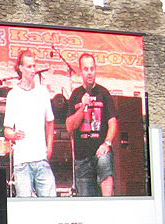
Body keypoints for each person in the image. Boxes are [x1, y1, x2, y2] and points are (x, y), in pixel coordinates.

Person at [2, 50, 56, 197]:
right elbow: (7, 131)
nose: (33, 70)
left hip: (41, 157)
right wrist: (14, 135)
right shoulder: (13, 94)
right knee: (25, 206)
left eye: (34, 66)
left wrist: (49, 147)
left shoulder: (42, 92)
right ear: (21, 68)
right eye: (29, 66)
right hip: (22, 161)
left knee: (50, 201)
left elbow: (50, 122)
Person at [65, 53, 117, 197]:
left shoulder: (104, 93)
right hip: (82, 158)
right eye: (86, 69)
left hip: (100, 151)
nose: (89, 72)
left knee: (105, 160)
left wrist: (107, 143)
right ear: (81, 71)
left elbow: (112, 123)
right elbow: (69, 126)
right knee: (87, 204)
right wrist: (83, 107)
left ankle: (109, 207)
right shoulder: (75, 95)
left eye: (92, 69)